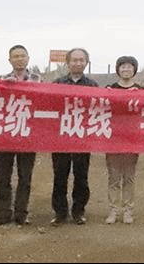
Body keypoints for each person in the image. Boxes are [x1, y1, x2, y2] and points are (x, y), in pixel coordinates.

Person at [50, 47, 99, 226]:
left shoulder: (92, 85)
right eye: (74, 60)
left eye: (81, 60)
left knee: (81, 176)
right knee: (60, 176)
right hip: (61, 137)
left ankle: (79, 211)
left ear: (86, 63)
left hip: (82, 138)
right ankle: (60, 212)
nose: (78, 63)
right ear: (68, 62)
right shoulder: (57, 84)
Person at [0, 44, 41, 226]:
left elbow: (44, 102)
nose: (19, 59)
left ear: (28, 59)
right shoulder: (1, 80)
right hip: (5, 134)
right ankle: (3, 213)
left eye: (22, 56)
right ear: (10, 60)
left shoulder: (38, 80)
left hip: (28, 134)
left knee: (25, 177)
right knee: (3, 177)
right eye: (16, 56)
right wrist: (5, 88)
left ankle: (22, 213)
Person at [104, 55, 144, 225]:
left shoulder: (141, 90)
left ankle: (128, 211)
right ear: (118, 69)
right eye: (123, 66)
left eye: (129, 66)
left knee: (129, 177)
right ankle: (113, 210)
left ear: (134, 70)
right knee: (113, 177)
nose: (126, 69)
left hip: (132, 140)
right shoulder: (109, 89)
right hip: (113, 139)